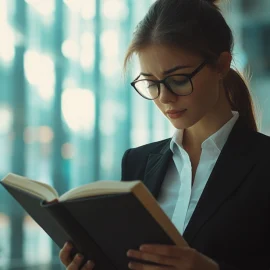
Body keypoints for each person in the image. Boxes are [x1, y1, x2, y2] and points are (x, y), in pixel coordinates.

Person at [59, 0, 270, 269]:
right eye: (151, 83)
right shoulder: (137, 162)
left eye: (179, 79)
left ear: (221, 65)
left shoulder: (264, 164)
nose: (165, 97)